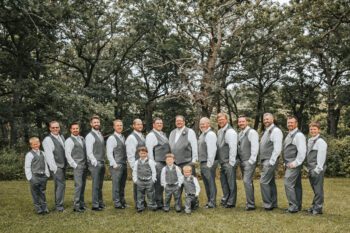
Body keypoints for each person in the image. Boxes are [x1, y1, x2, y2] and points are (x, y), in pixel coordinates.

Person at [145, 117, 171, 209]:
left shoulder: (162, 134)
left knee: (162, 183)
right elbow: (149, 151)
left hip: (165, 163)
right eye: (157, 123)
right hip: (157, 162)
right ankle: (157, 203)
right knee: (158, 184)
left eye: (161, 123)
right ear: (153, 125)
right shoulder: (151, 135)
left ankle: (160, 202)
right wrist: (153, 164)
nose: (160, 124)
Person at [259, 113, 283, 211]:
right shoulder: (267, 130)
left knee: (263, 181)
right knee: (270, 182)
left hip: (270, 160)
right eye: (264, 119)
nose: (266, 121)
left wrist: (271, 161)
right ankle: (273, 203)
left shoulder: (276, 131)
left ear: (273, 119)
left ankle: (268, 205)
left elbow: (277, 148)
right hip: (266, 159)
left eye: (268, 119)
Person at [283, 115, 306, 213]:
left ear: (296, 123)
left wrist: (296, 163)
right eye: (288, 122)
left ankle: (293, 207)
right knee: (296, 185)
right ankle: (297, 205)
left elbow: (302, 151)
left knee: (288, 183)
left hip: (293, 164)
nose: (290, 124)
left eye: (292, 122)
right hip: (289, 163)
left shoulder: (298, 135)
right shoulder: (289, 134)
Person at [42, 120, 66, 212]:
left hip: (62, 165)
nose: (55, 129)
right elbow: (49, 156)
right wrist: (54, 168)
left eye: (57, 127)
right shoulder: (48, 140)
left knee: (61, 185)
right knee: (60, 185)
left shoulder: (61, 137)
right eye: (53, 128)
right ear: (50, 128)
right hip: (56, 166)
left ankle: (59, 204)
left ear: (59, 128)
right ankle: (59, 207)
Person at [64, 122, 88, 212]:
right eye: (73, 128)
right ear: (70, 130)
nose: (75, 130)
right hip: (78, 166)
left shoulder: (81, 138)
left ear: (79, 129)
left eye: (77, 128)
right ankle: (76, 206)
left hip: (84, 165)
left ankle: (82, 204)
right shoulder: (69, 140)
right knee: (78, 186)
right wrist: (75, 165)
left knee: (83, 185)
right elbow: (68, 154)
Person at [237, 116, 259, 211]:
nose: (241, 123)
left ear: (247, 122)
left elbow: (255, 147)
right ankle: (250, 202)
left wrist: (251, 160)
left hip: (249, 161)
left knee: (246, 181)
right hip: (242, 161)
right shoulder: (240, 133)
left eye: (243, 121)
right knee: (248, 182)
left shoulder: (252, 132)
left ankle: (250, 204)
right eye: (239, 122)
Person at [216, 113, 238, 208]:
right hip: (222, 162)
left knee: (231, 183)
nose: (220, 121)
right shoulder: (220, 131)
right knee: (224, 182)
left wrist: (231, 162)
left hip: (229, 161)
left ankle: (231, 202)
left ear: (227, 120)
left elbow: (233, 147)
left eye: (222, 119)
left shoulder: (230, 132)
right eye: (219, 120)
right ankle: (225, 199)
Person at [24, 137, 50, 215]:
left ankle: (44, 208)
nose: (36, 145)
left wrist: (47, 174)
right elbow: (27, 167)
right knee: (35, 193)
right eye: (34, 144)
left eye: (37, 143)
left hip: (43, 176)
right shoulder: (29, 155)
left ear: (39, 143)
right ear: (31, 145)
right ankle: (38, 209)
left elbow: (45, 164)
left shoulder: (43, 153)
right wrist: (30, 178)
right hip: (34, 176)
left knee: (42, 192)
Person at [306, 121, 327, 215]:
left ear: (319, 130)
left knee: (318, 189)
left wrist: (317, 170)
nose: (312, 131)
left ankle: (318, 209)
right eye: (311, 129)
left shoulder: (320, 141)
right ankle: (314, 206)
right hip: (310, 168)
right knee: (315, 189)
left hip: (317, 169)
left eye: (314, 129)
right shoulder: (310, 140)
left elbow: (321, 157)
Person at [85, 115, 106, 211]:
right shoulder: (90, 136)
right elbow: (89, 151)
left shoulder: (99, 134)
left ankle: (100, 202)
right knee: (96, 184)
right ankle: (95, 205)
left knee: (100, 184)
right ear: (91, 124)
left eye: (98, 122)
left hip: (101, 161)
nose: (97, 124)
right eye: (95, 122)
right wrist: (95, 162)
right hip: (95, 163)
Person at [106, 119, 127, 209]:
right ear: (114, 127)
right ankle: (117, 203)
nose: (119, 127)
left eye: (121, 125)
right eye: (117, 125)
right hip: (117, 165)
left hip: (124, 164)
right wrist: (114, 165)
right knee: (116, 185)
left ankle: (122, 201)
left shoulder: (122, 137)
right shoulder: (111, 138)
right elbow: (109, 153)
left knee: (122, 185)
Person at [198, 117, 218, 208]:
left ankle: (212, 202)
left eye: (204, 123)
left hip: (208, 162)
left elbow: (212, 150)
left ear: (209, 124)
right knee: (206, 183)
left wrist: (209, 163)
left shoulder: (210, 134)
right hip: (203, 162)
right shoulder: (202, 134)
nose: (202, 125)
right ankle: (209, 201)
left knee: (210, 182)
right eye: (201, 124)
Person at [125, 118, 146, 207]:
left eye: (141, 124)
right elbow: (130, 154)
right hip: (137, 165)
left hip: (143, 164)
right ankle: (138, 203)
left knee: (143, 184)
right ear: (133, 126)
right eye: (138, 124)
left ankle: (142, 201)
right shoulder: (131, 137)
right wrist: (134, 167)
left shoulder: (141, 135)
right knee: (137, 185)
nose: (140, 126)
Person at [132, 146, 157, 212]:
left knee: (151, 194)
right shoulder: (137, 162)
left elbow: (153, 171)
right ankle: (140, 207)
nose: (143, 155)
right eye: (141, 153)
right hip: (140, 181)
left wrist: (153, 180)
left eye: (144, 153)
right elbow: (134, 171)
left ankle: (152, 206)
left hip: (149, 181)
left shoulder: (150, 161)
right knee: (140, 195)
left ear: (147, 153)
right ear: (139, 154)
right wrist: (135, 180)